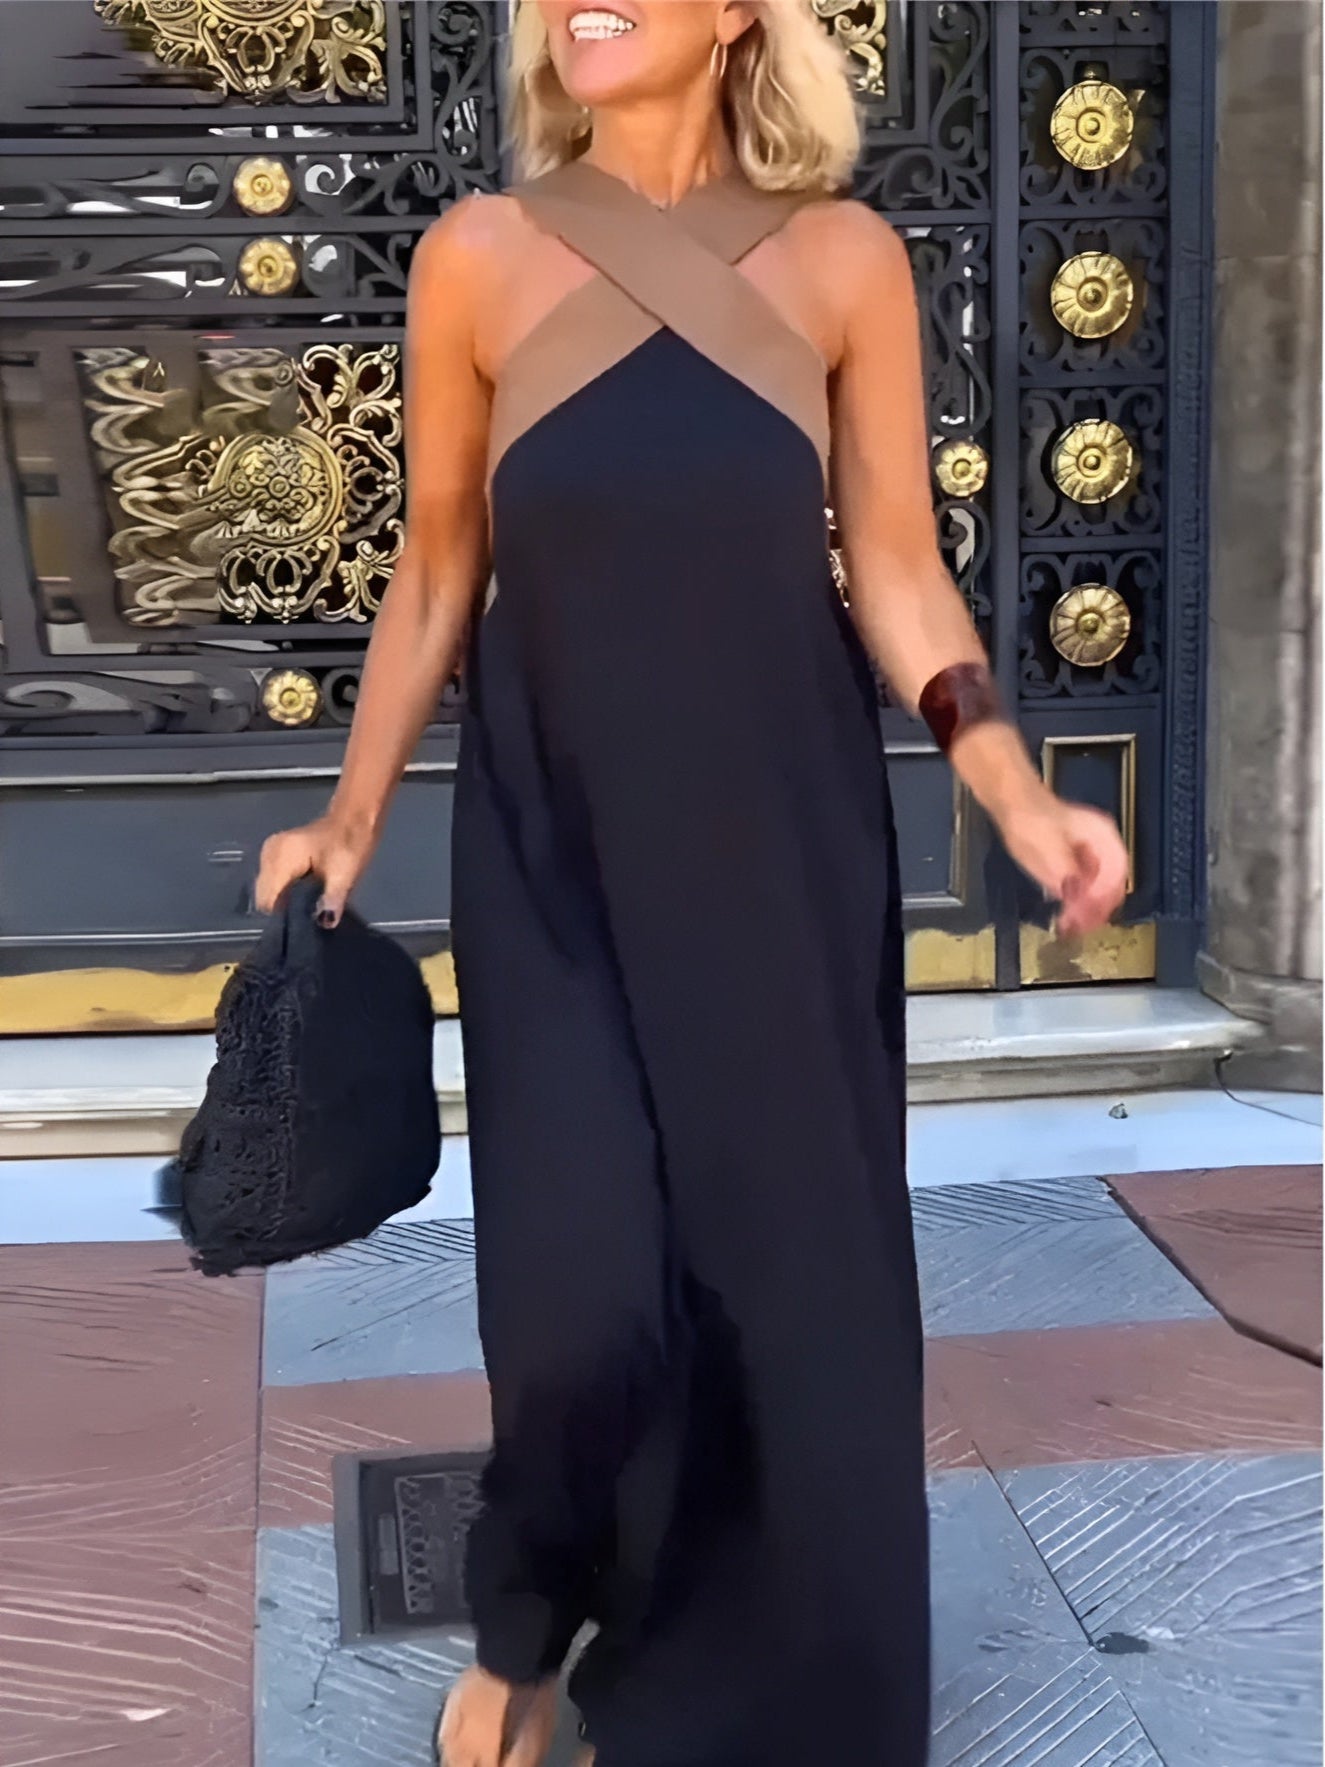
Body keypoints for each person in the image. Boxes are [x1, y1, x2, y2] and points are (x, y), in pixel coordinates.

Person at [256, 3, 1131, 1763]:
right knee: (574, 1288)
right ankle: (530, 1619)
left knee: (787, 1274)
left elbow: (897, 570)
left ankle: (765, 1690)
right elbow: (437, 566)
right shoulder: (477, 259)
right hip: (554, 849)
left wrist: (1011, 787)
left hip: (777, 853)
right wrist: (348, 817)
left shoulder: (843, 261)